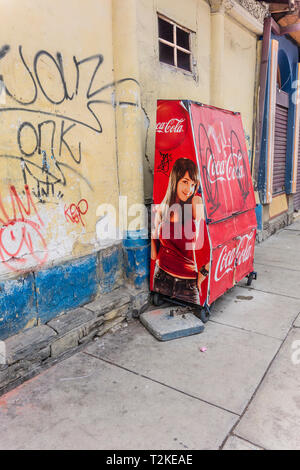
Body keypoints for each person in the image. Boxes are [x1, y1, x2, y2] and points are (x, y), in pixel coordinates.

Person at [151, 157, 210, 305]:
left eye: (193, 184)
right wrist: (156, 263)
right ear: (175, 180)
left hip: (188, 284)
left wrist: (204, 272)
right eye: (185, 181)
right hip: (161, 277)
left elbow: (209, 241)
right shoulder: (162, 207)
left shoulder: (195, 201)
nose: (189, 189)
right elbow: (153, 243)